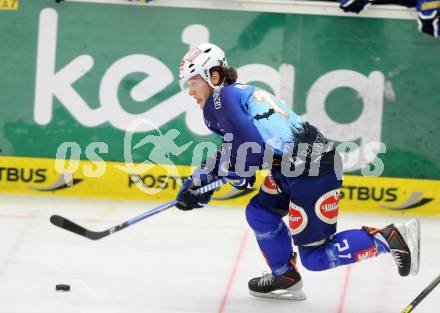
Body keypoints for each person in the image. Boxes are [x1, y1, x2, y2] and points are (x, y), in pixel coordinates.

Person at [175, 43, 420, 300]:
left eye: (193, 83)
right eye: (186, 86)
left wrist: (232, 174)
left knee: (315, 258)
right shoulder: (230, 98)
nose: (190, 92)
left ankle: (389, 238)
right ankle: (285, 276)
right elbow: (236, 147)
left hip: (312, 172)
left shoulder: (220, 98)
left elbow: (249, 148)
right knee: (260, 212)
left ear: (214, 77)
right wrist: (200, 180)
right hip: (293, 169)